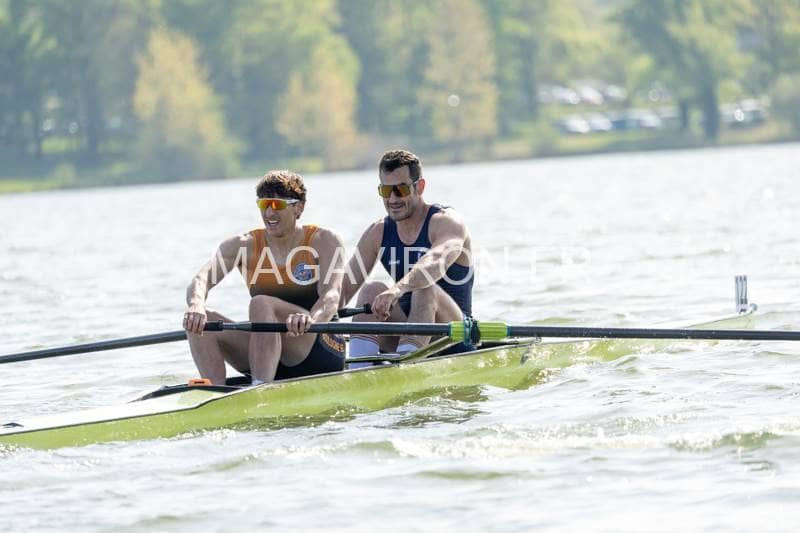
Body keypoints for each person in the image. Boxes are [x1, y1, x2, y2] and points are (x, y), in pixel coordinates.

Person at [183, 170, 346, 385]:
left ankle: (260, 386)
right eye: (264, 204)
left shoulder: (324, 240)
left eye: (277, 205)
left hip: (319, 346)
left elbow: (331, 297)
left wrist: (311, 319)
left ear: (299, 207)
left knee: (261, 304)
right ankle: (215, 392)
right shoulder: (242, 245)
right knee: (199, 320)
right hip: (267, 351)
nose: (269, 213)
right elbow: (201, 279)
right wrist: (196, 305)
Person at [341, 149, 474, 362]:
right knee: (371, 290)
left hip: (454, 338)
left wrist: (397, 289)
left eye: (400, 189)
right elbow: (343, 289)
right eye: (386, 190)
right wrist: (308, 315)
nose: (392, 198)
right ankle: (357, 367)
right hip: (405, 332)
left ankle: (407, 362)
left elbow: (434, 262)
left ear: (419, 187)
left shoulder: (446, 222)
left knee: (425, 286)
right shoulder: (377, 232)